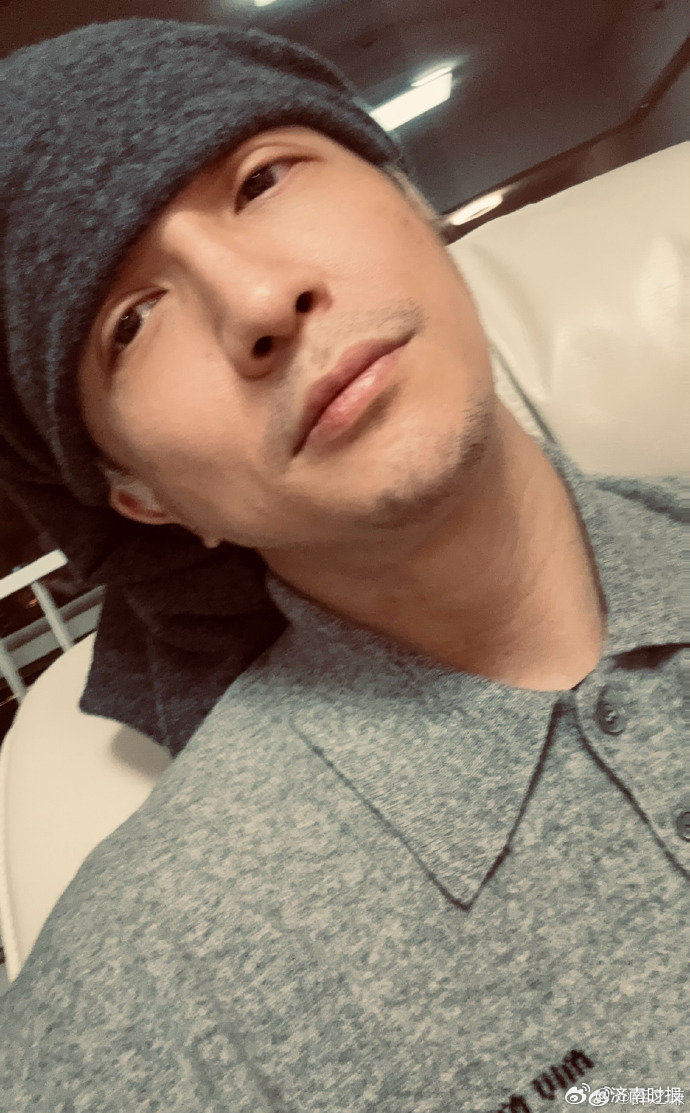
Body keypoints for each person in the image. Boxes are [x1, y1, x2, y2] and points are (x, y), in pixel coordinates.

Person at [0, 19, 686, 1113]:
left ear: (408, 196)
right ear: (139, 494)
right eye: (130, 321)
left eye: (262, 179)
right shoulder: (138, 1009)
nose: (259, 302)